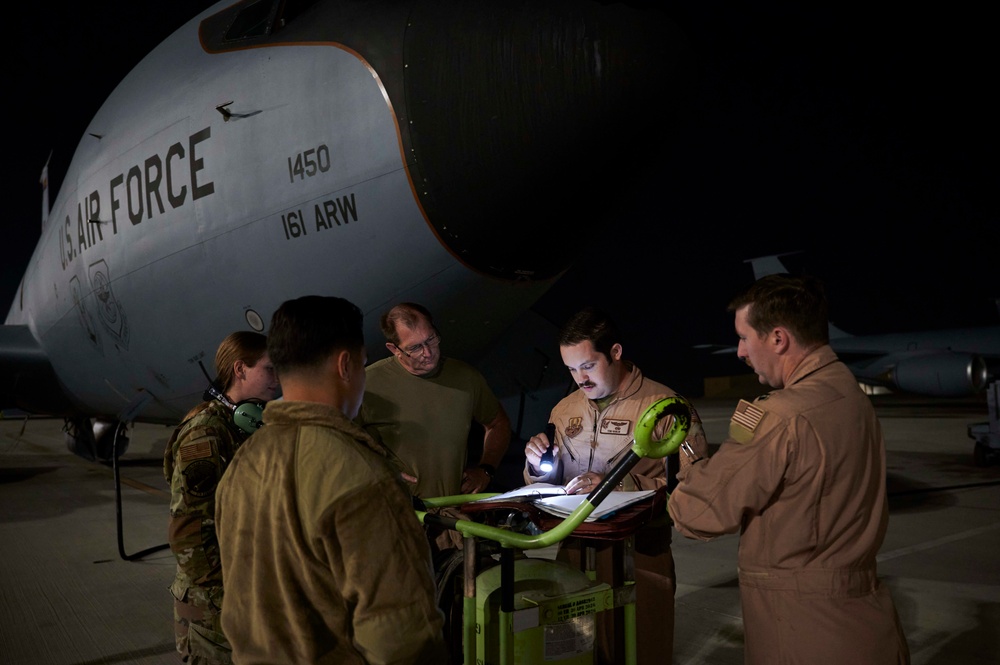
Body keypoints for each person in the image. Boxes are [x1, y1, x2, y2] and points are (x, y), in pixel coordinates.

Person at [667, 274, 910, 664]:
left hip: (803, 630)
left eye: (744, 338)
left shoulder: (778, 415)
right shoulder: (849, 395)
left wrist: (690, 457)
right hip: (867, 621)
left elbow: (699, 513)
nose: (740, 352)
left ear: (778, 339)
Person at [215, 295, 448, 664]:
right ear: (345, 365)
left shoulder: (243, 463)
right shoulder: (361, 476)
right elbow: (403, 639)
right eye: (363, 364)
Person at [523, 306, 709, 665]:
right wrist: (537, 467)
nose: (580, 378)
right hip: (575, 551)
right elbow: (554, 480)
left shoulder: (666, 407)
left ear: (616, 352)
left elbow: (695, 490)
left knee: (642, 649)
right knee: (578, 653)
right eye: (571, 369)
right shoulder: (563, 410)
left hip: (639, 556)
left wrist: (618, 483)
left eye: (588, 365)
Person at [163, 331, 280, 664]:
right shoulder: (207, 433)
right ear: (240, 370)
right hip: (213, 606)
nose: (277, 379)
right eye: (269, 369)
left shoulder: (248, 425)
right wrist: (224, 595)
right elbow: (188, 533)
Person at [358, 302, 511, 499]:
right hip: (393, 514)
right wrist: (375, 468)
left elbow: (498, 423)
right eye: (414, 347)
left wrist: (486, 470)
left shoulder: (466, 377)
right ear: (394, 349)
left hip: (452, 514)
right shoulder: (366, 384)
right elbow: (336, 444)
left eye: (430, 339)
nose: (428, 353)